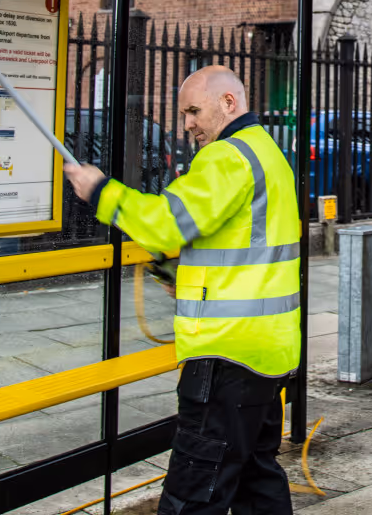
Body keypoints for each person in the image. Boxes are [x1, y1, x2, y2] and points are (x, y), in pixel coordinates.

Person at [65, 65, 299, 515]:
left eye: (194, 111)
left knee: (194, 490)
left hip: (227, 353)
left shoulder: (228, 156)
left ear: (228, 103)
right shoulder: (266, 152)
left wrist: (100, 192)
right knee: (256, 478)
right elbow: (238, 246)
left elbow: (164, 224)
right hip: (268, 353)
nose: (187, 123)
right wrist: (180, 274)